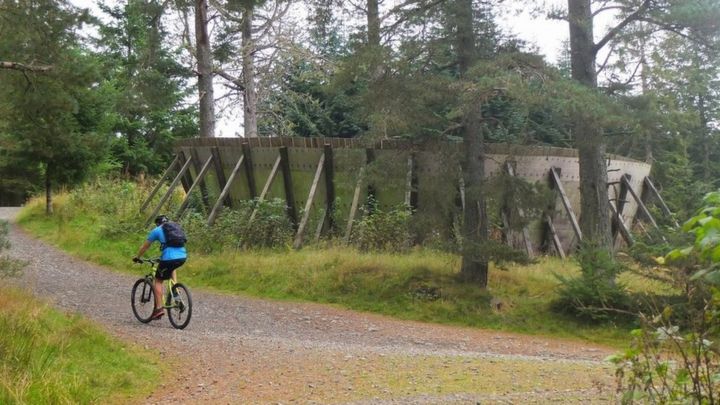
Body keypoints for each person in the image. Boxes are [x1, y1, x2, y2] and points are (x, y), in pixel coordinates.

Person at [133, 215, 187, 320]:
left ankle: (159, 309)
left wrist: (137, 257)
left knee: (158, 280)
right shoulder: (175, 227)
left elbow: (145, 246)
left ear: (157, 223)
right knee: (172, 268)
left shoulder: (157, 230)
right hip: (182, 256)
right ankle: (175, 289)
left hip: (168, 258)